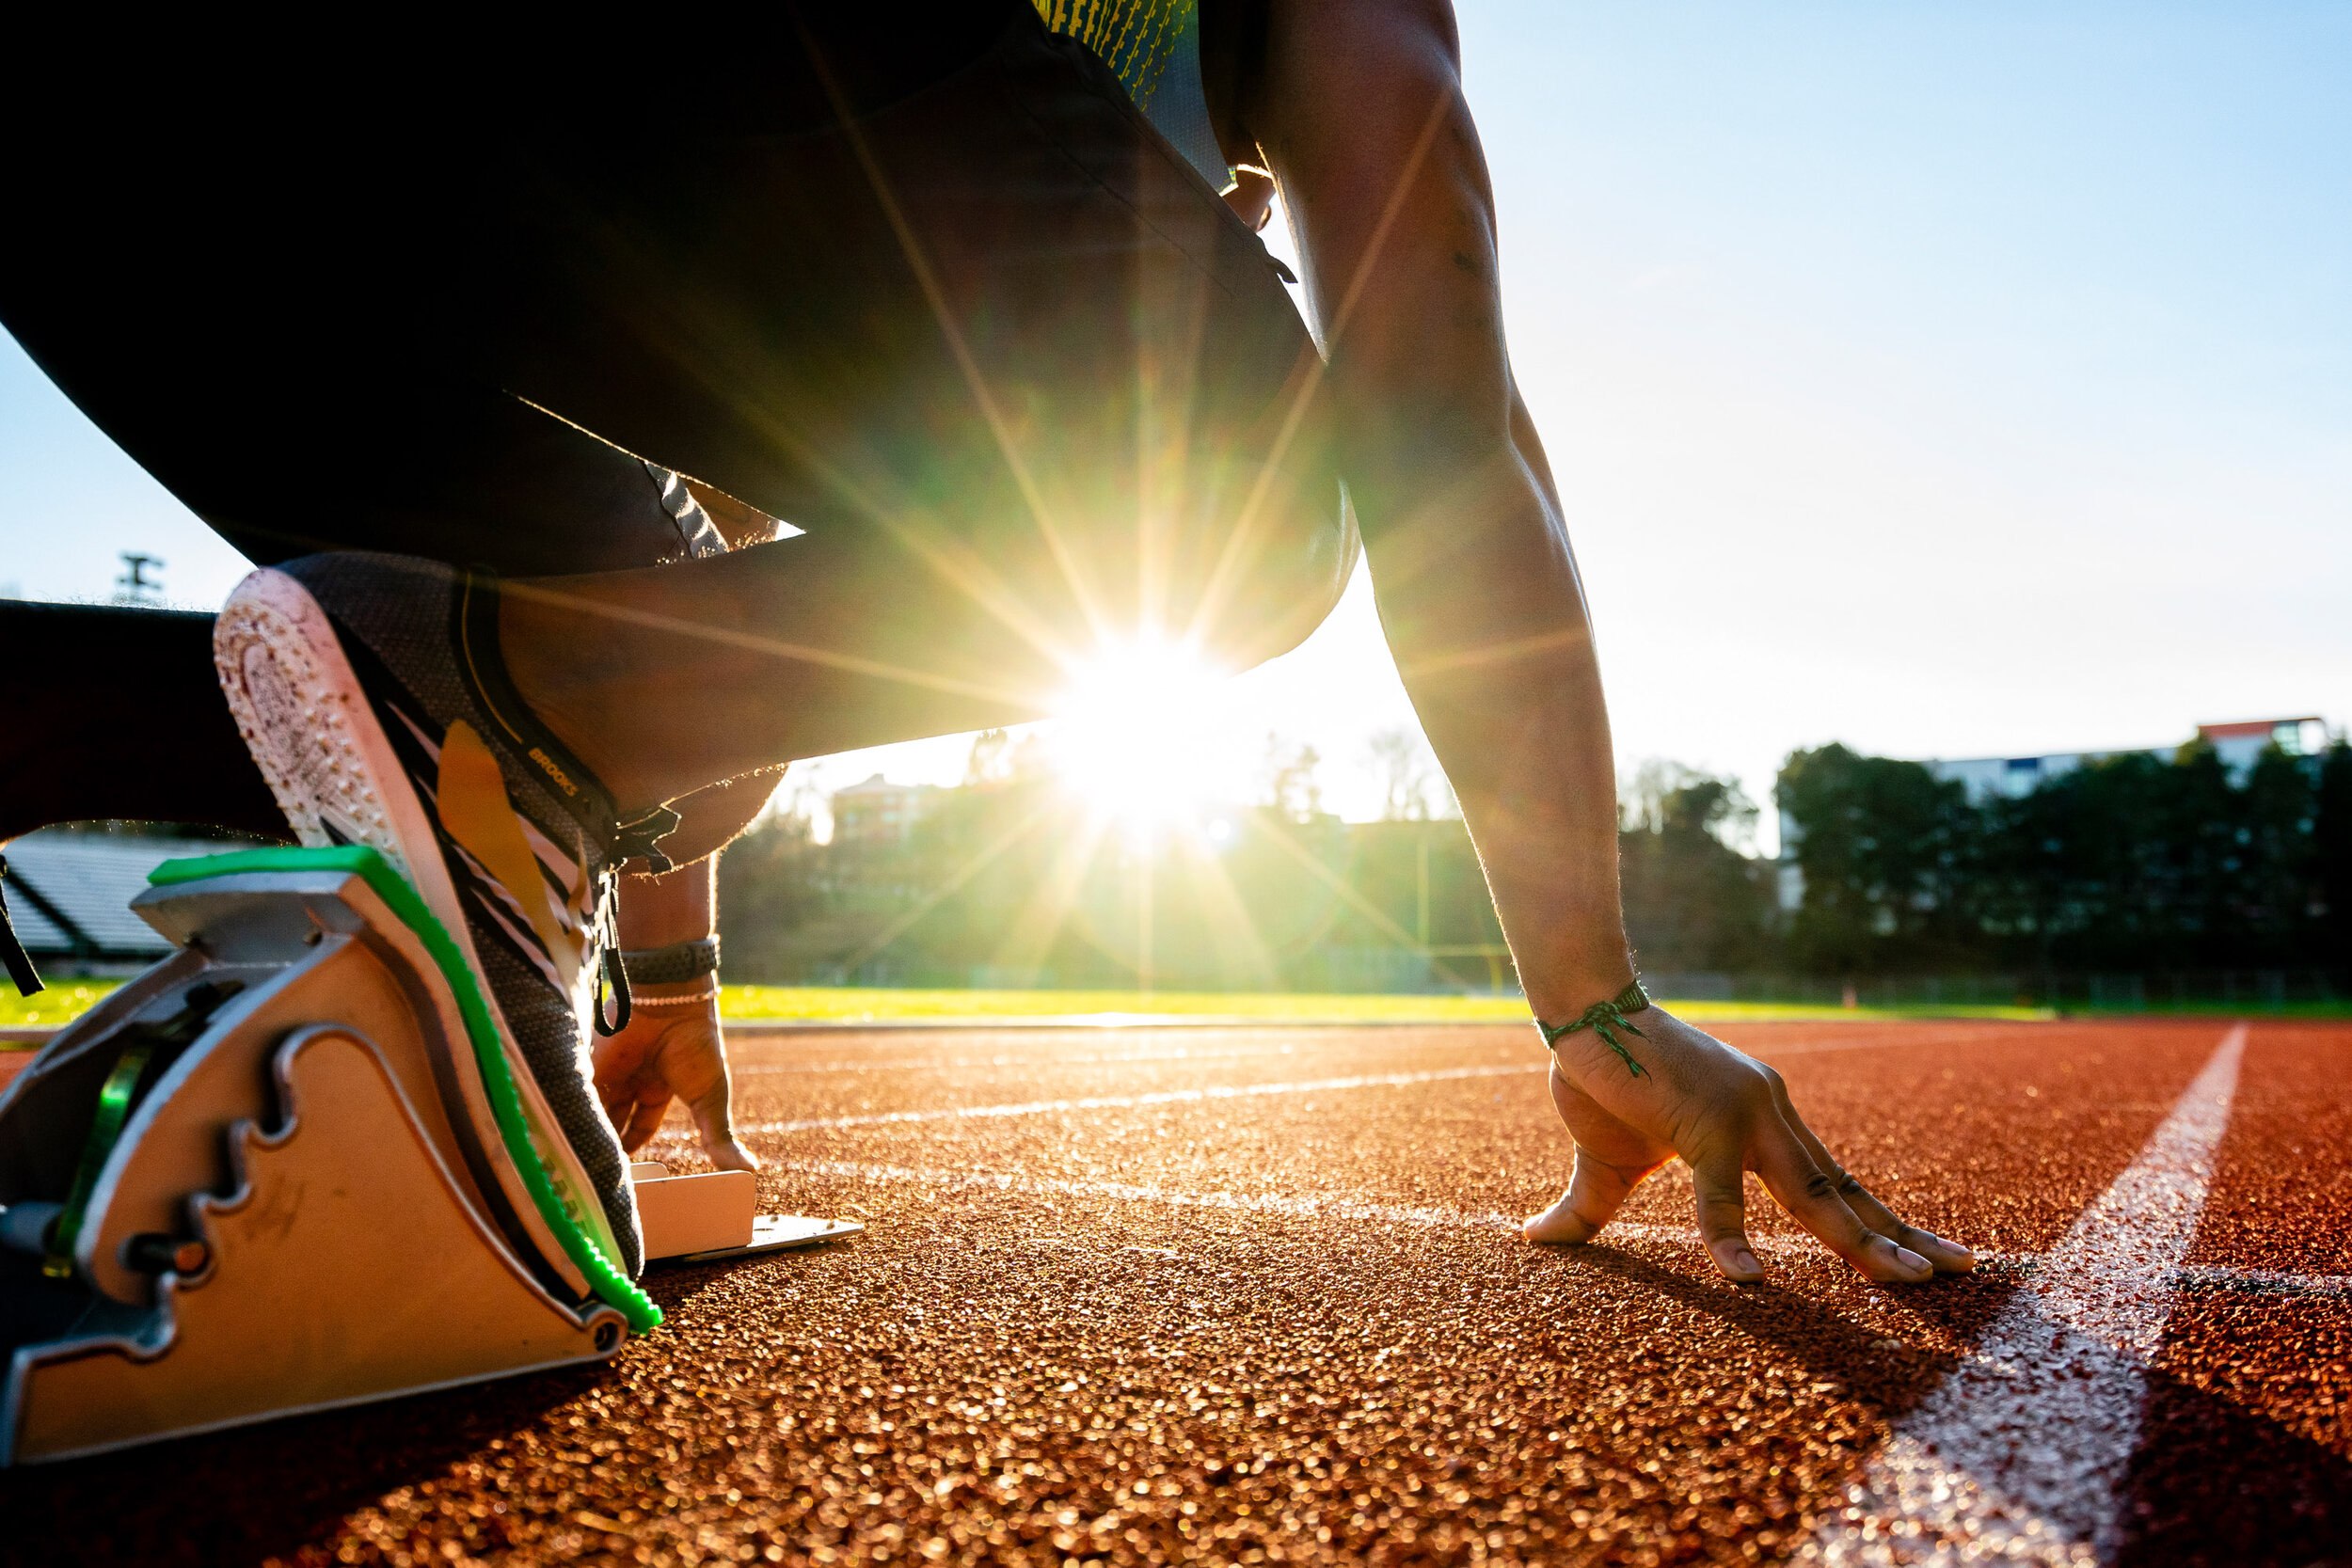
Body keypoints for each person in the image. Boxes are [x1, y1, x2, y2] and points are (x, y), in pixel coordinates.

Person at [0, 0, 1971, 1288]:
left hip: (158, 169)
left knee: (608, 597)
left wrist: (662, 959)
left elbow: (726, 581)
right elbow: (1445, 445)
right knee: (1226, 507)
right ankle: (489, 724)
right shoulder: (1283, 44)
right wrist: (1596, 1003)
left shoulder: (894, 167)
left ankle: (83, 728)